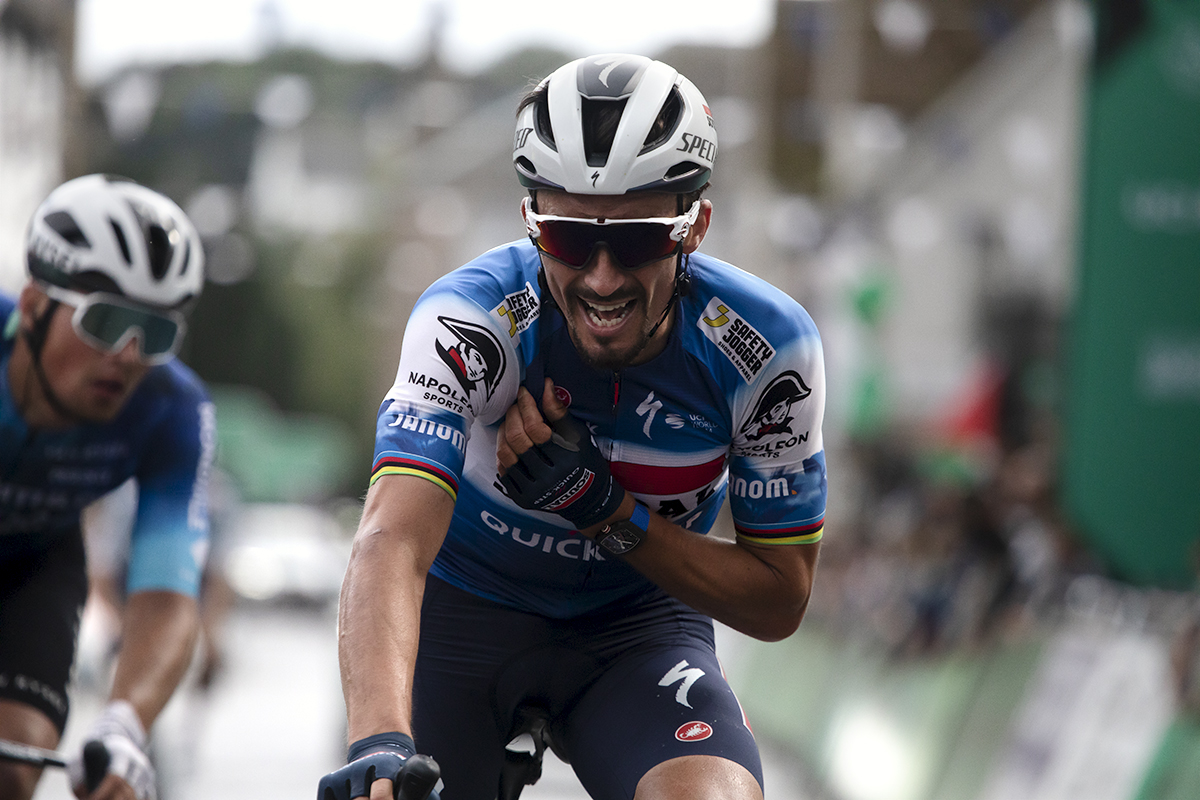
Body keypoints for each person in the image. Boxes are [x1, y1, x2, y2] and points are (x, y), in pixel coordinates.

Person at [320, 54, 827, 800]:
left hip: (636, 629)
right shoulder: (469, 319)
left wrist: (604, 510)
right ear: (530, 222)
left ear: (696, 226)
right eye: (564, 237)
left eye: (635, 241)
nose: (600, 278)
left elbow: (779, 599)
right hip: (466, 613)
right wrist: (379, 743)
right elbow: (389, 538)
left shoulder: (766, 348)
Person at [0, 175, 214, 800]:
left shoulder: (171, 410)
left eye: (154, 334)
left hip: (34, 563)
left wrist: (126, 722)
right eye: (107, 321)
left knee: (13, 774)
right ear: (36, 303)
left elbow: (169, 593)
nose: (126, 355)